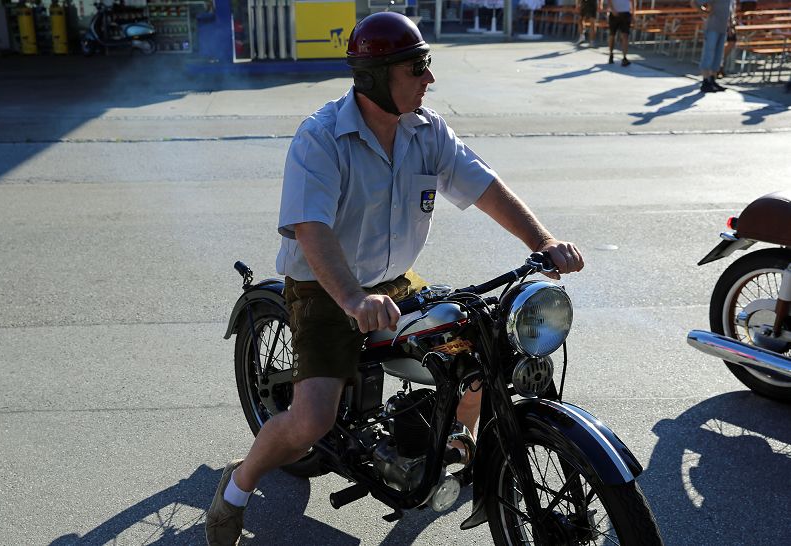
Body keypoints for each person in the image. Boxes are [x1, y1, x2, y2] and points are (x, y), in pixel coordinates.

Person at [205, 12, 585, 546]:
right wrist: (354, 297)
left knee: (472, 357)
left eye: (426, 65)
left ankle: (441, 456)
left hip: (395, 282)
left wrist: (540, 242)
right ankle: (236, 489)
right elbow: (311, 232)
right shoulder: (322, 137)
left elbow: (485, 187)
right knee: (312, 417)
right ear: (376, 76)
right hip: (323, 287)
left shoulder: (427, 132)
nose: (429, 79)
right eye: (417, 67)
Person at [692, 0, 733, 92]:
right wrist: (704, 12)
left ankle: (712, 79)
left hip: (723, 28)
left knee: (719, 54)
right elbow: (694, 2)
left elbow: (729, 11)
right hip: (712, 27)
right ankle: (705, 80)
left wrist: (730, 26)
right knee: (709, 53)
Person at [607, 0, 633, 66]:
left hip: (625, 12)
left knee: (625, 35)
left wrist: (633, 11)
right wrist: (612, 9)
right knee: (612, 35)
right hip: (614, 13)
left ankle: (624, 58)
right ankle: (611, 54)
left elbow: (633, 1)